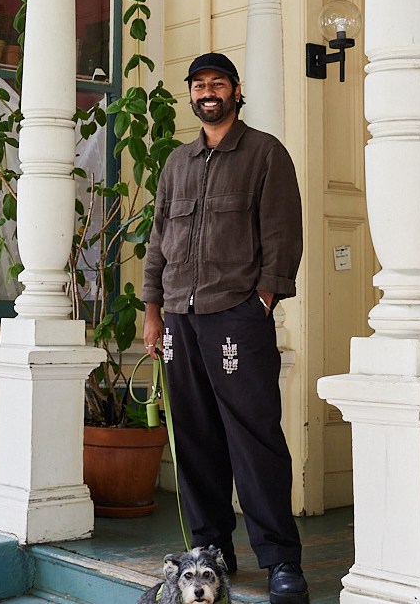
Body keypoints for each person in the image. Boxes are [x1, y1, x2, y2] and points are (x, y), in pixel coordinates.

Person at [142, 53, 307, 604]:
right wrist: (151, 311)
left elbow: (283, 236)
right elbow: (157, 242)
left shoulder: (264, 154)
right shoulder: (177, 163)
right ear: (191, 95)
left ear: (237, 91)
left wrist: (260, 301)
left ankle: (281, 558)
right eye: (198, 85)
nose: (207, 92)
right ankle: (211, 552)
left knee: (254, 438)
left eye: (218, 84)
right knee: (194, 438)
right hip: (179, 321)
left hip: (235, 316)